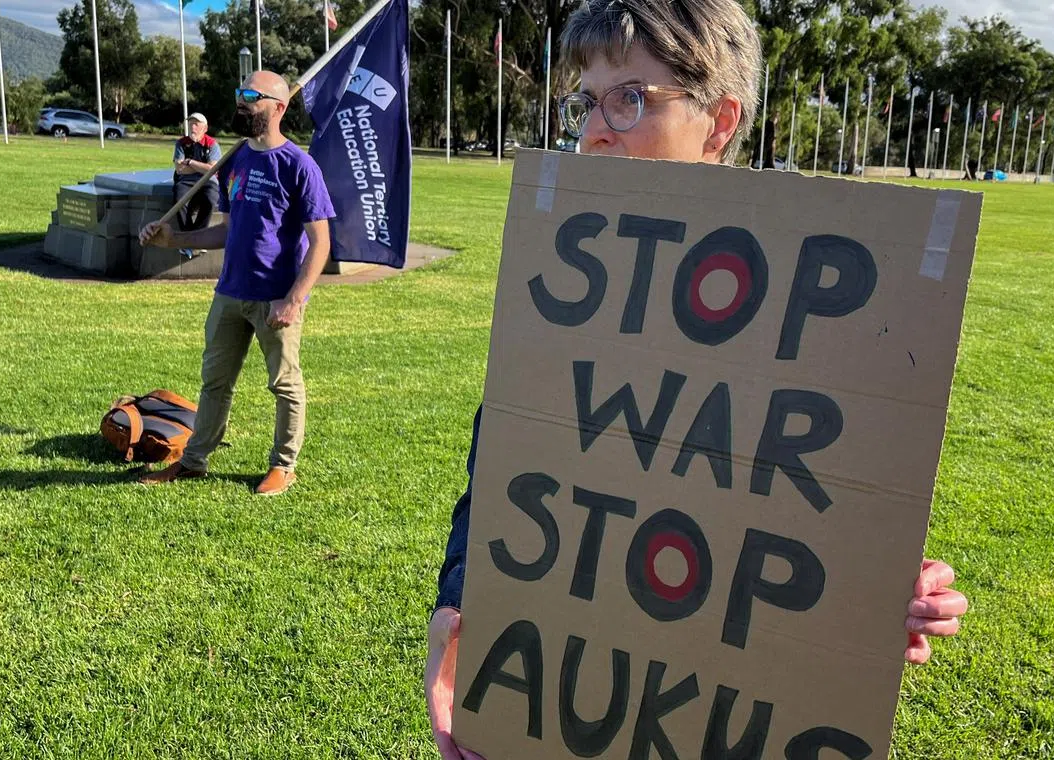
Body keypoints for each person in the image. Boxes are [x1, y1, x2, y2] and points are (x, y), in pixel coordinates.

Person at [424, 1, 969, 757]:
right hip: (564, 698)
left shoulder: (816, 312)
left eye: (631, 98)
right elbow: (501, 477)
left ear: (719, 122)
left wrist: (875, 587)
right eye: (587, 102)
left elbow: (807, 516)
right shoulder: (567, 291)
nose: (594, 130)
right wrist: (454, 608)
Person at [136, 71, 336, 496]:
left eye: (251, 95)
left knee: (284, 384)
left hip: (275, 298)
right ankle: (193, 462)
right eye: (239, 92)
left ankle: (284, 466)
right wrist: (176, 240)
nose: (241, 102)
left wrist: (294, 299)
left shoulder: (299, 166)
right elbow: (228, 231)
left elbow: (321, 243)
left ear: (278, 107)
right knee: (215, 382)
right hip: (230, 292)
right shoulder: (237, 159)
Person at [172, 112, 223, 256]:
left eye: (196, 124)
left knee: (210, 199)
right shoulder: (181, 143)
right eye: (190, 124)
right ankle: (188, 239)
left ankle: (199, 238)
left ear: (204, 128)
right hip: (186, 181)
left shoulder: (212, 144)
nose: (192, 127)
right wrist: (202, 167)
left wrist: (191, 162)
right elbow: (180, 169)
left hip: (208, 182)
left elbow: (212, 169)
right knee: (179, 201)